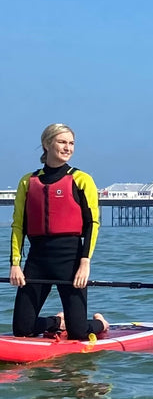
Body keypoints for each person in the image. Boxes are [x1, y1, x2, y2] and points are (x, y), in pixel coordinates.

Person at [9, 123, 109, 341]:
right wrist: (15, 264)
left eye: (71, 143)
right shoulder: (28, 181)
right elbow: (18, 225)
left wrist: (85, 263)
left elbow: (93, 223)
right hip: (37, 260)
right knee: (22, 330)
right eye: (62, 142)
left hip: (70, 259)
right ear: (47, 144)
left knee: (78, 333)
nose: (68, 148)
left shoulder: (82, 179)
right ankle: (57, 321)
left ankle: (100, 323)